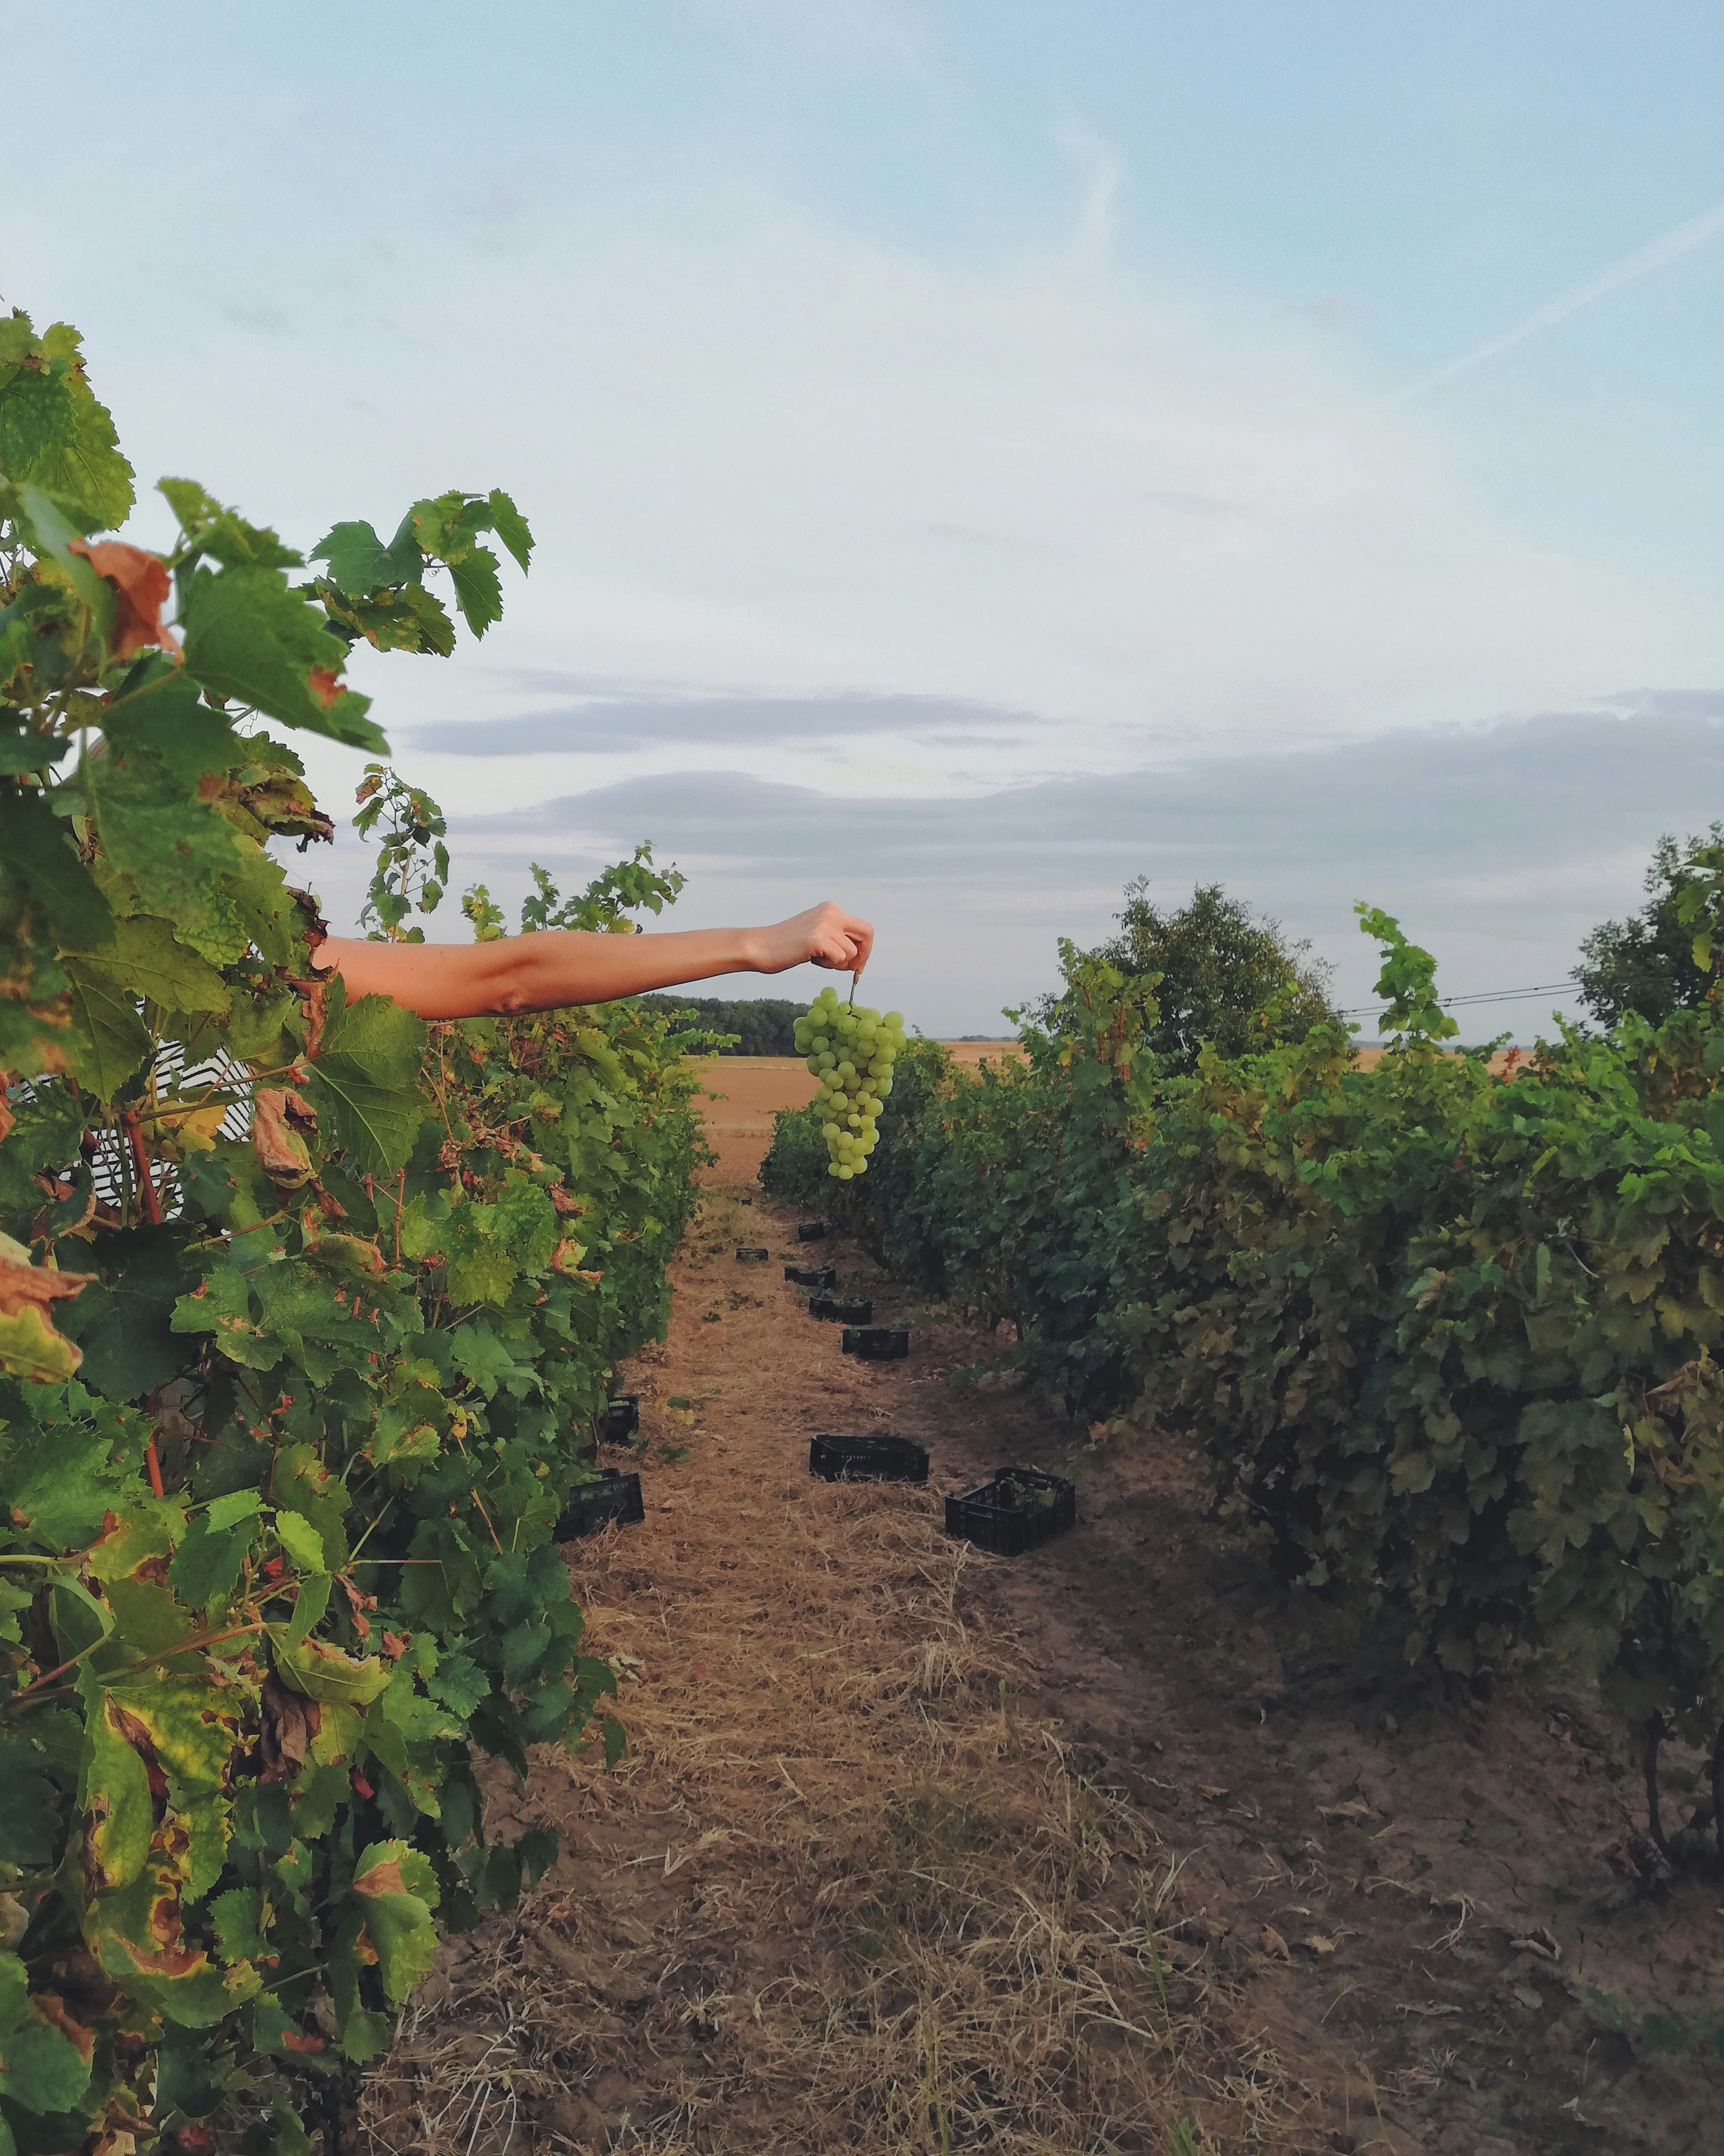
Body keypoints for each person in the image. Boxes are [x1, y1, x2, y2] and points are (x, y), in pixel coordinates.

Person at [310, 900, 873, 1021]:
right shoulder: (252, 962)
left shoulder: (260, 959)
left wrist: (754, 945)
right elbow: (510, 980)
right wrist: (753, 945)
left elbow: (513, 977)